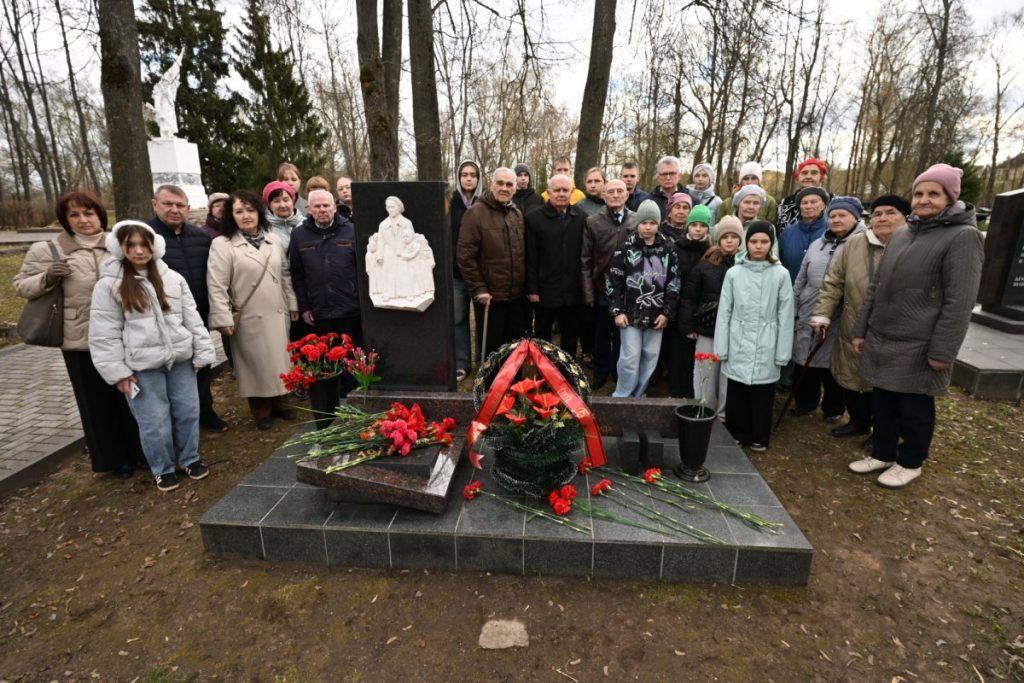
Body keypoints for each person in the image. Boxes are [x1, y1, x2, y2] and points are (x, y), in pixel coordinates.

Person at [851, 164, 983, 487]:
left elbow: (960, 301)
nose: (924, 200)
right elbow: (877, 286)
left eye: (933, 194)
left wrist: (943, 351)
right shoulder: (902, 233)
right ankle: (883, 452)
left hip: (920, 343)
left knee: (914, 406)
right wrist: (861, 329)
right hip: (884, 337)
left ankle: (911, 461)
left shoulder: (963, 237)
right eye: (919, 193)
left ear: (950, 197)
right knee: (882, 400)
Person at [13, 191, 145, 478]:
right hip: (80, 339)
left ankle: (140, 451)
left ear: (100, 214)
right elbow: (22, 286)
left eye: (88, 213)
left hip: (124, 335)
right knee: (95, 402)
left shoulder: (117, 244)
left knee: (132, 396)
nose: (83, 220)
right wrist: (47, 277)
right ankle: (113, 459)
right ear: (65, 219)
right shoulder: (47, 250)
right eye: (75, 215)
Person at [88, 221, 216, 492]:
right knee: (153, 421)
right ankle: (164, 468)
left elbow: (191, 318)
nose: (138, 251)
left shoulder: (173, 278)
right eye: (131, 245)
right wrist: (118, 373)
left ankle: (190, 458)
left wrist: (203, 350)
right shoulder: (109, 285)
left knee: (188, 412)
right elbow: (104, 334)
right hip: (142, 367)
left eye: (143, 244)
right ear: (120, 248)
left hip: (180, 360)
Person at [811, 194, 909, 439]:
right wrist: (822, 314)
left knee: (885, 385)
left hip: (896, 329)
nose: (882, 218)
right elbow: (833, 282)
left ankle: (884, 433)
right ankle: (858, 421)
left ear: (905, 217)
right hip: (853, 324)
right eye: (877, 214)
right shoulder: (855, 245)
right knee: (853, 378)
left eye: (890, 213)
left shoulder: (914, 245)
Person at [208, 190, 298, 430]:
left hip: (276, 310)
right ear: (231, 216)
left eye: (250, 210)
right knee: (254, 363)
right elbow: (216, 284)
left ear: (259, 212)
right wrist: (221, 317)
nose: (246, 216)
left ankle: (281, 400)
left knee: (280, 359)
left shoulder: (273, 239)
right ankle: (261, 408)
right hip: (248, 315)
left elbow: (285, 274)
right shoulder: (223, 244)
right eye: (239, 211)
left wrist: (292, 303)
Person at [147, 185, 228, 432]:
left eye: (180, 205)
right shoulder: (147, 238)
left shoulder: (201, 237)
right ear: (155, 204)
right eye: (168, 204)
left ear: (188, 208)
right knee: (170, 371)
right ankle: (173, 423)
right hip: (162, 320)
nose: (174, 210)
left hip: (197, 314)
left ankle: (205, 412)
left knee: (202, 366)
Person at [714, 221, 793, 451]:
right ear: (746, 243)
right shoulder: (734, 273)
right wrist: (722, 346)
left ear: (771, 244)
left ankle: (760, 435)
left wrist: (782, 352)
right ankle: (738, 432)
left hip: (767, 340)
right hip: (738, 337)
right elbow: (724, 311)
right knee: (737, 391)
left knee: (762, 393)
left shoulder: (781, 274)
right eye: (754, 241)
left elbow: (786, 316)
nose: (758, 246)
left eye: (764, 242)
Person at [791, 196, 864, 422]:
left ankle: (833, 407)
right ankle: (805, 402)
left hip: (839, 315)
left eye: (842, 215)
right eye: (833, 216)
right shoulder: (818, 244)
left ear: (855, 217)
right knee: (804, 359)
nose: (836, 220)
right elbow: (801, 279)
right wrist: (794, 305)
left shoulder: (860, 245)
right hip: (808, 308)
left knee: (831, 365)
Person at [289, 188, 362, 391]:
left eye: (326, 205)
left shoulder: (352, 231)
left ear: (335, 207)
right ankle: (333, 402)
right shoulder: (298, 236)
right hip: (319, 311)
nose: (322, 210)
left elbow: (362, 270)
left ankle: (355, 397)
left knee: (352, 359)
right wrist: (304, 307)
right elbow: (297, 275)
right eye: (317, 206)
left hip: (349, 308)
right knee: (328, 362)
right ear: (309, 209)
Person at [606, 199, 680, 397]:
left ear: (658, 224)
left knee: (650, 357)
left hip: (657, 316)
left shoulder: (668, 248)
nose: (648, 227)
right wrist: (617, 310)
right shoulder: (625, 247)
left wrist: (667, 313)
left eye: (652, 223)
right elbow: (614, 282)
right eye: (644, 223)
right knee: (630, 358)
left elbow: (674, 282)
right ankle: (622, 396)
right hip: (630, 315)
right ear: (637, 223)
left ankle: (639, 396)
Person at [457, 167, 528, 362]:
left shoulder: (516, 213)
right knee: (492, 349)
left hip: (515, 295)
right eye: (500, 183)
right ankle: (491, 387)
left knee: (514, 347)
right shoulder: (476, 213)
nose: (504, 188)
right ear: (491, 184)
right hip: (490, 297)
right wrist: (479, 288)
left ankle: (515, 385)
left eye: (509, 184)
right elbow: (465, 256)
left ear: (515, 188)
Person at [678, 216, 744, 419]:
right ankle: (705, 408)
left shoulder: (746, 265)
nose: (730, 241)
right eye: (725, 237)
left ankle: (724, 412)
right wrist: (688, 325)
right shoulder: (705, 266)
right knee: (706, 369)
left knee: (727, 373)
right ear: (718, 239)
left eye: (734, 237)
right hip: (708, 327)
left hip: (735, 329)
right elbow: (690, 297)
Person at [582, 179, 636, 389]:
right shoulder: (593, 221)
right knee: (601, 334)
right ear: (604, 196)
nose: (615, 195)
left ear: (626, 195)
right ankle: (600, 373)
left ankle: (617, 372)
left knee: (622, 335)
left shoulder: (636, 220)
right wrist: (588, 293)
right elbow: (585, 260)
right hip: (602, 288)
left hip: (629, 290)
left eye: (619, 191)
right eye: (610, 191)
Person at [525, 174, 586, 355]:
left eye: (565, 190)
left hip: (572, 291)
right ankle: (544, 372)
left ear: (572, 192)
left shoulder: (581, 218)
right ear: (548, 192)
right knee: (543, 335)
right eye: (557, 190)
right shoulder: (533, 219)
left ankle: (567, 373)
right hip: (544, 291)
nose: (561, 194)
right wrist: (532, 289)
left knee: (570, 335)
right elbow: (530, 256)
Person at [664, 204, 712, 398]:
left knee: (695, 355)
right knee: (677, 354)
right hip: (677, 309)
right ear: (688, 227)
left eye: (702, 225)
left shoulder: (711, 251)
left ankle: (693, 391)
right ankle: (676, 391)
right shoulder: (675, 248)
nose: (698, 229)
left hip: (701, 310)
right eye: (694, 225)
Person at [449, 160, 482, 380]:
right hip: (456, 274)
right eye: (464, 174)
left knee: (482, 318)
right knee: (458, 318)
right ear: (459, 178)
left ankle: (483, 361)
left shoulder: (485, 203)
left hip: (481, 275)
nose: (468, 178)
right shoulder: (450, 203)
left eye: (473, 175)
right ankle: (461, 363)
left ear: (479, 179)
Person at [778, 186, 830, 283]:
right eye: (804, 203)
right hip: (791, 290)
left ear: (823, 205)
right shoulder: (787, 233)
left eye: (813, 202)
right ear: (799, 208)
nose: (808, 206)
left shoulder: (832, 231)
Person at [777, 157, 830, 233]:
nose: (808, 176)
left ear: (821, 177)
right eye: (804, 173)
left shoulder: (833, 202)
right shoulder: (784, 203)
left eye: (814, 173)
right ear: (798, 177)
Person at [262, 180, 303, 252]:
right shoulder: (263, 228)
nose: (282, 205)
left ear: (292, 201)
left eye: (286, 200)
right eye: (276, 201)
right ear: (269, 205)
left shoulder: (306, 224)